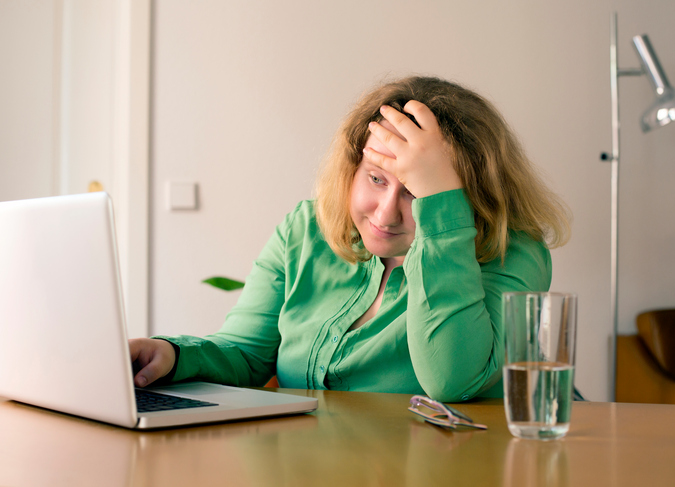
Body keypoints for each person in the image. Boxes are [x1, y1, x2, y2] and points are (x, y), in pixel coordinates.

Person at [130, 76, 571, 402]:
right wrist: (170, 355)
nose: (385, 212)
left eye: (418, 192)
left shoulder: (511, 252)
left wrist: (442, 211)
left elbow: (453, 380)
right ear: (351, 168)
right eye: (376, 178)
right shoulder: (305, 230)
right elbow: (246, 354)